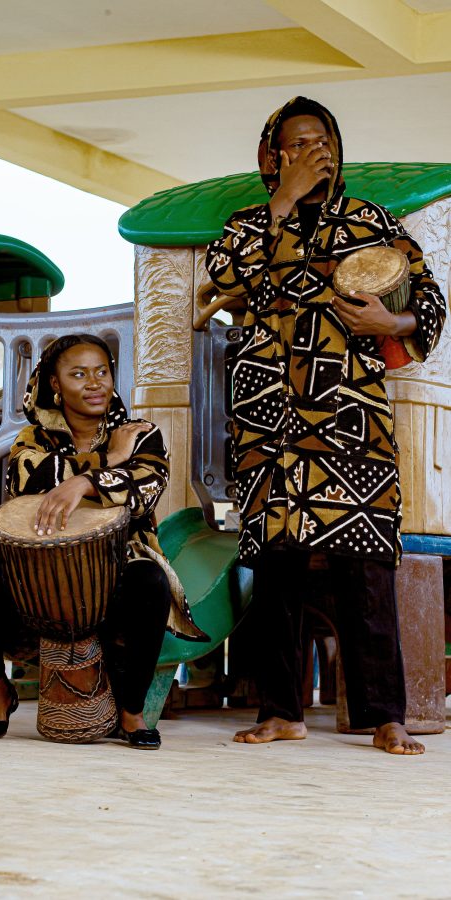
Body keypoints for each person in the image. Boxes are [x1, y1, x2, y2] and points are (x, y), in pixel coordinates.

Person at [206, 96, 446, 755]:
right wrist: (283, 204)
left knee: (365, 562)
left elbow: (428, 298)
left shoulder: (371, 220)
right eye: (300, 143)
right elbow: (226, 274)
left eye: (325, 141)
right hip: (266, 417)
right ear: (272, 157)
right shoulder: (247, 224)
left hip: (348, 415)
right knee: (273, 567)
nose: (317, 152)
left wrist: (392, 322)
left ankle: (384, 715)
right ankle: (280, 711)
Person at [0, 334, 208, 748]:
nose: (94, 383)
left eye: (102, 372)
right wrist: (107, 462)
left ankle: (132, 711)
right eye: (78, 374)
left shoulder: (141, 434)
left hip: (113, 583)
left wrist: (82, 483)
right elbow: (27, 479)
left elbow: (144, 490)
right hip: (37, 586)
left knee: (151, 580)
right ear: (55, 384)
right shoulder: (32, 439)